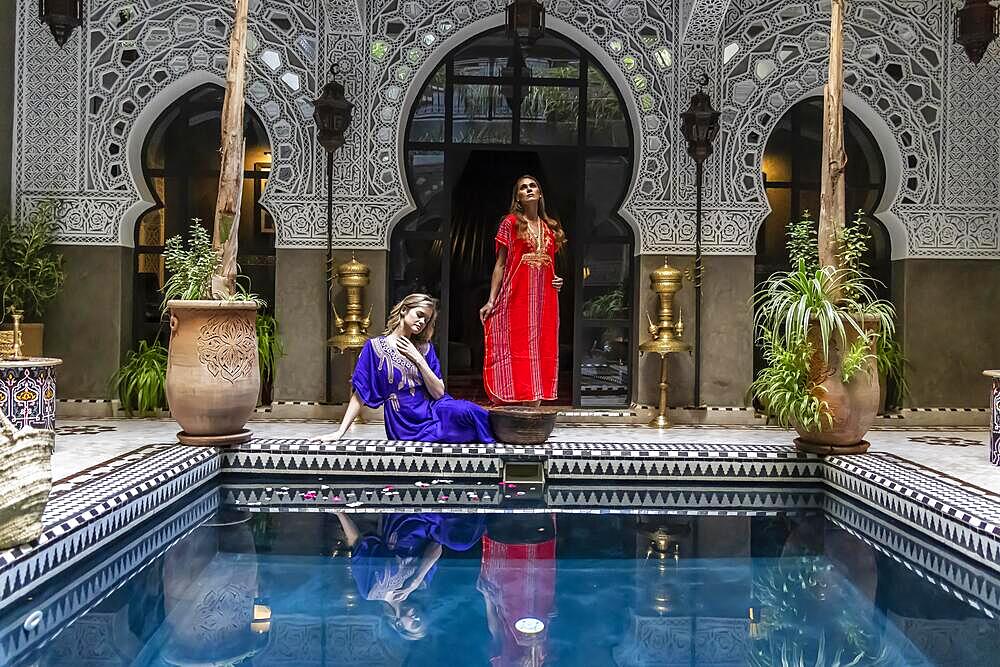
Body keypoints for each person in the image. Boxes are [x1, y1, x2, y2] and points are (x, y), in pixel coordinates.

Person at [320, 293, 495, 443]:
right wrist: (339, 433)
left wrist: (418, 358)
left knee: (468, 411)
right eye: (419, 315)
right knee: (469, 423)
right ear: (404, 310)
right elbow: (359, 395)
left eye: (426, 320)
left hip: (434, 410)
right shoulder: (374, 348)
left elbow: (439, 393)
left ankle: (507, 437)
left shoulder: (425, 348)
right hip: (404, 422)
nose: (422, 322)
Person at [480, 175, 565, 405]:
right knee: (514, 344)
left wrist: (557, 280)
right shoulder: (510, 223)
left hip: (544, 301)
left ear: (540, 193)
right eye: (523, 188)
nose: (528, 190)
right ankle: (507, 401)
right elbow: (500, 264)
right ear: (517, 196)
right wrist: (491, 300)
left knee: (540, 346)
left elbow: (549, 266)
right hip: (516, 297)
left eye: (533, 186)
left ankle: (534, 402)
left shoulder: (550, 229)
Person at [335, 512, 486, 641]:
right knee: (462, 542)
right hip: (431, 526)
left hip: (400, 520)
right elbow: (436, 545)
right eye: (422, 620)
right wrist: (417, 578)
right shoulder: (421, 586)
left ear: (399, 624)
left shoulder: (370, 591)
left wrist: (340, 512)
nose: (418, 618)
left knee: (462, 541)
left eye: (415, 624)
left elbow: (357, 542)